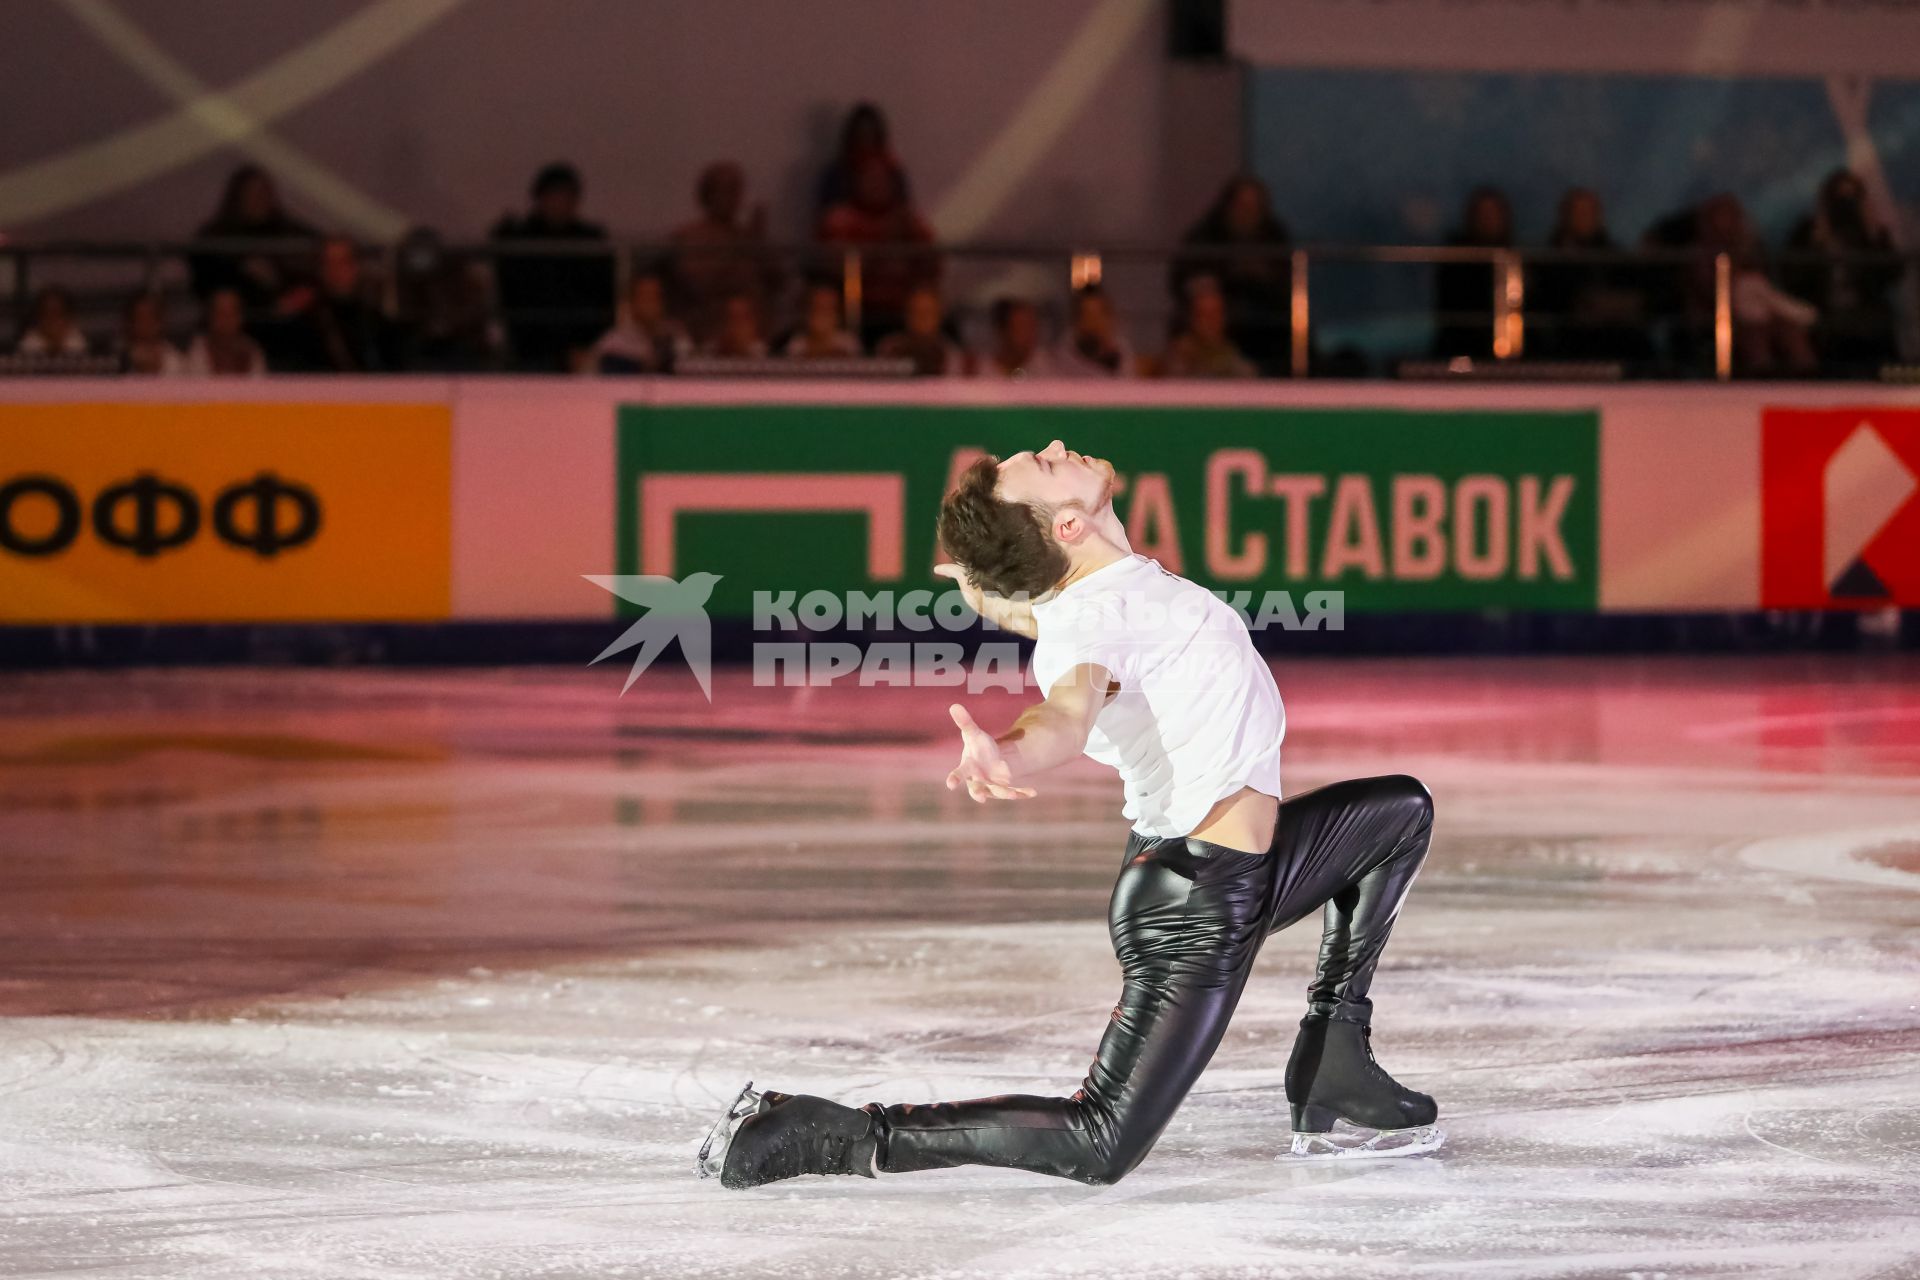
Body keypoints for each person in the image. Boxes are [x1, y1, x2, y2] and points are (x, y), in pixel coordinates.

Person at [701, 439, 1442, 1189]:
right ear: (1066, 527)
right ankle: (836, 1134)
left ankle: (1334, 1053)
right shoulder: (1091, 625)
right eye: (1047, 466)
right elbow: (1065, 713)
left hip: (1246, 868)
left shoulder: (1105, 592)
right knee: (1099, 1141)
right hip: (1194, 905)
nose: (1057, 447)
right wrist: (1011, 755)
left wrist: (992, 596)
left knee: (1398, 814)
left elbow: (1080, 619)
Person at [490, 162, 615, 371]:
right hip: (528, 344)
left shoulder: (591, 242)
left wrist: (587, 344)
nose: (559, 203)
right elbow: (511, 292)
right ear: (539, 199)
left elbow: (603, 297)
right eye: (554, 195)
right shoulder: (519, 240)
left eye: (567, 196)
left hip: (582, 345)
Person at [1785, 169, 1902, 376]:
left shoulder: (1871, 234)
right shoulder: (1809, 232)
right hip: (1824, 316)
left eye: (1851, 198)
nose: (1844, 206)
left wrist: (1873, 235)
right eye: (1838, 199)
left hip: (1868, 317)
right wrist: (1816, 243)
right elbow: (1791, 278)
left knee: (1875, 328)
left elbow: (1893, 274)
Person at [1170, 175, 1292, 372]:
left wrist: (1259, 277)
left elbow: (1285, 283)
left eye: (1254, 207)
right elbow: (1184, 279)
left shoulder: (1274, 237)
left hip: (1264, 323)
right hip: (1220, 323)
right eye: (1242, 206)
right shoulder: (1205, 236)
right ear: (1228, 206)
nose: (1247, 213)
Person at [816, 155, 938, 348]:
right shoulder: (841, 219)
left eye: (882, 180)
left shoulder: (907, 219)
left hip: (902, 311)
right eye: (870, 179)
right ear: (856, 181)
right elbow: (835, 271)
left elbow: (935, 266)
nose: (876, 186)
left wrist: (911, 235)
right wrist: (884, 240)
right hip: (858, 309)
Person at [1531, 188, 1651, 364]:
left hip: (1617, 339)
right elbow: (1560, 303)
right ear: (1565, 217)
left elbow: (1637, 298)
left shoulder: (1614, 256)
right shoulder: (1551, 259)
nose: (1584, 218)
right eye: (1578, 212)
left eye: (1589, 212)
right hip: (1569, 341)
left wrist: (1610, 305)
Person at [668, 161, 781, 347]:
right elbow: (699, 285)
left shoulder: (747, 235)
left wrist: (760, 243)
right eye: (726, 190)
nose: (733, 198)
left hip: (756, 336)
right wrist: (739, 247)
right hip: (710, 332)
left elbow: (778, 280)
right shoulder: (690, 236)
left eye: (737, 190)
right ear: (707, 194)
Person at [187, 165, 318, 312]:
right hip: (240, 317)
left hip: (291, 318)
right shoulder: (216, 238)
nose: (259, 199)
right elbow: (207, 281)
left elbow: (315, 262)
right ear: (238, 197)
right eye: (251, 193)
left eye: (263, 192)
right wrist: (243, 268)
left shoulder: (290, 233)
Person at [281, 237, 405, 372]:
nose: (335, 271)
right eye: (328, 263)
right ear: (320, 269)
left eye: (343, 262)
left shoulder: (377, 320)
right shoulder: (305, 320)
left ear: (356, 266)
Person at [394, 227, 497, 372]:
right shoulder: (408, 281)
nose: (421, 258)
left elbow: (472, 315)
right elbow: (406, 314)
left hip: (461, 344)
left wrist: (446, 323)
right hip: (425, 346)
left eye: (425, 251)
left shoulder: (459, 276)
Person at [1432, 187, 1513, 360]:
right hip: (1460, 346)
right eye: (1482, 214)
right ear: (1471, 218)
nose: (1488, 220)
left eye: (1492, 214)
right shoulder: (1456, 261)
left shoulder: (1516, 261)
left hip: (1510, 347)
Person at [815, 101, 912, 217]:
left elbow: (904, 208)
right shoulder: (838, 173)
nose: (866, 138)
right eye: (862, 133)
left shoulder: (891, 169)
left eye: (870, 133)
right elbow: (828, 213)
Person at [585, 271, 692, 374]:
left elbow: (687, 367)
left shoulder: (675, 334)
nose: (650, 303)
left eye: (655, 296)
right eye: (644, 297)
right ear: (632, 302)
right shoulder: (613, 342)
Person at [1162, 279, 1256, 378]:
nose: (1210, 321)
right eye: (1203, 315)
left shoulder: (1229, 350)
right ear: (1192, 318)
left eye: (1216, 314)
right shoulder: (1180, 353)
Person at [875, 284, 967, 376]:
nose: (922, 318)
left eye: (928, 312)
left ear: (939, 316)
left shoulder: (952, 356)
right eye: (916, 312)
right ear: (906, 315)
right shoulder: (889, 351)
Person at [1053, 285, 1135, 378]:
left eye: (1100, 315)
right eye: (1089, 316)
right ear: (1077, 322)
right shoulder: (1062, 359)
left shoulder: (1122, 354)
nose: (1096, 323)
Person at [184, 288, 267, 377]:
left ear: (240, 318)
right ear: (210, 317)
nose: (226, 321)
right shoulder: (196, 352)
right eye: (221, 314)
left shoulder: (252, 353)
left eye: (231, 314)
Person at [781, 282, 862, 359]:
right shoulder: (796, 344)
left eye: (828, 309)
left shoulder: (849, 343)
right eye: (818, 308)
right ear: (808, 313)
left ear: (838, 313)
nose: (823, 315)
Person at [982, 297, 1055, 378]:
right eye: (1022, 327)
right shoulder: (982, 370)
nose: (1030, 334)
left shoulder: (1047, 368)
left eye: (1033, 327)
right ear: (1003, 330)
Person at [118, 293, 185, 375]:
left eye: (149, 318)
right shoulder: (120, 360)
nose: (145, 324)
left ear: (159, 322)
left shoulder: (173, 360)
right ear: (130, 322)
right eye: (139, 318)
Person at [14, 287, 90, 357]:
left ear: (69, 318)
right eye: (47, 315)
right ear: (38, 318)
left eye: (57, 314)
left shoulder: (77, 343)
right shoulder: (28, 345)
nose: (52, 321)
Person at [701, 294, 769, 359]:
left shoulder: (767, 353)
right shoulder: (710, 350)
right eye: (731, 318)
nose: (736, 326)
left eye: (741, 318)